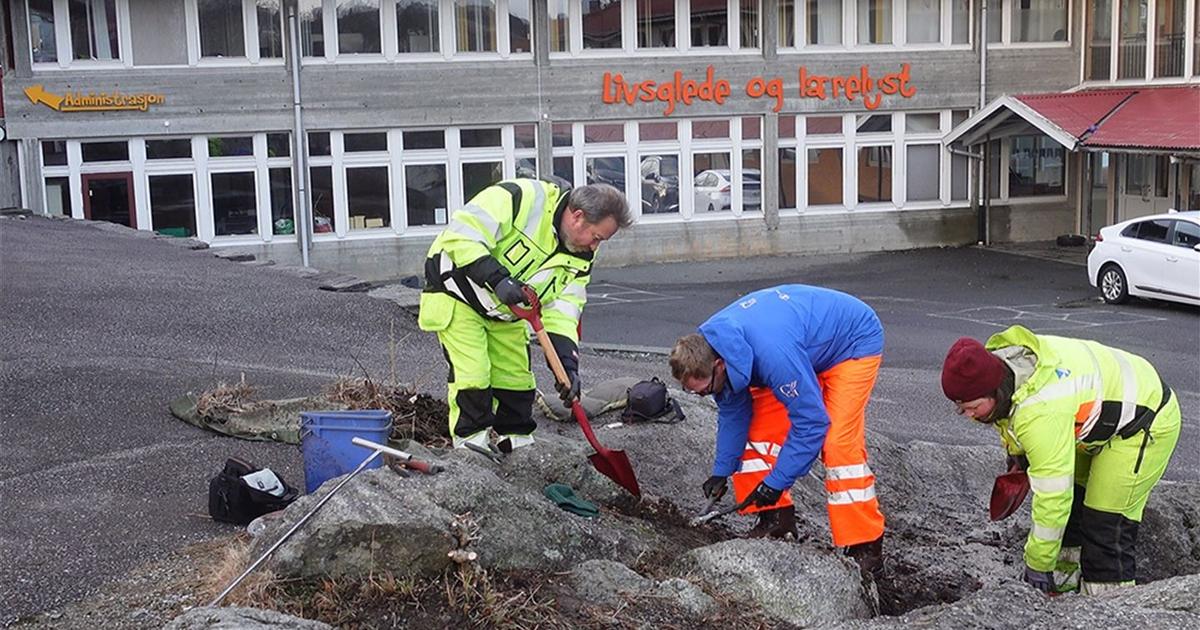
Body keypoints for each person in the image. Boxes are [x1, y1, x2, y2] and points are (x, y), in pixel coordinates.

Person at [940, 326, 1181, 595]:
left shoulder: (1041, 410)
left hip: (1143, 420)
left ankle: (1108, 608)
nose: (969, 415)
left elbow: (1053, 498)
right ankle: (1064, 590)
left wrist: (1036, 565)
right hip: (1096, 422)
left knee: (1104, 524)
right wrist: (1019, 455)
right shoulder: (1007, 367)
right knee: (1075, 503)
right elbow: (1011, 415)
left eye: (973, 407)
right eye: (961, 408)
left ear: (996, 391)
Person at [669, 285, 886, 576]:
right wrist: (722, 470)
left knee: (837, 443)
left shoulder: (773, 355)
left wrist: (778, 481)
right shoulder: (712, 347)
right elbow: (734, 412)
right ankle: (776, 521)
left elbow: (811, 423)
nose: (706, 395)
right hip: (799, 346)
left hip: (850, 343)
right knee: (757, 431)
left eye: (706, 389)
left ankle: (866, 546)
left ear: (719, 366)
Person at [418, 178, 631, 453]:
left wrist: (567, 364)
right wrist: (497, 280)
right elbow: (461, 236)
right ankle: (472, 450)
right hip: (457, 294)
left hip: (509, 312)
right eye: (597, 237)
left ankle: (517, 449)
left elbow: (565, 308)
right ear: (578, 217)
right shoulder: (519, 198)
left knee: (517, 380)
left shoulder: (581, 258)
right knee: (474, 375)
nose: (594, 247)